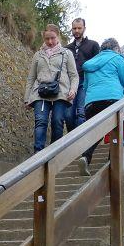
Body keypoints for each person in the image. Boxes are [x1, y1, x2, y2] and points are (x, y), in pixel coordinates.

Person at [78, 38, 124, 175]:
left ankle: (86, 157)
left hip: (91, 102)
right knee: (118, 129)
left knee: (97, 132)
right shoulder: (117, 58)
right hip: (112, 99)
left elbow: (85, 86)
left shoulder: (90, 63)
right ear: (116, 49)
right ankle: (111, 162)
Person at [23, 24, 79, 153]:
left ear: (58, 36)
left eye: (52, 38)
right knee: (40, 121)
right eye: (47, 38)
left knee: (57, 121)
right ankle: (38, 154)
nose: (50, 41)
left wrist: (73, 90)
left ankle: (54, 153)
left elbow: (74, 75)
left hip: (61, 92)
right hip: (40, 92)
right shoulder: (38, 55)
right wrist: (27, 98)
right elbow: (31, 77)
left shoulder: (66, 53)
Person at [65, 18, 100, 128]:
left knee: (81, 112)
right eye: (74, 28)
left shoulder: (93, 45)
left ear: (84, 28)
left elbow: (97, 65)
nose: (76, 30)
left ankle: (80, 137)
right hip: (70, 83)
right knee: (68, 115)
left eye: (79, 28)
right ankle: (72, 136)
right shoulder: (67, 49)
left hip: (85, 82)